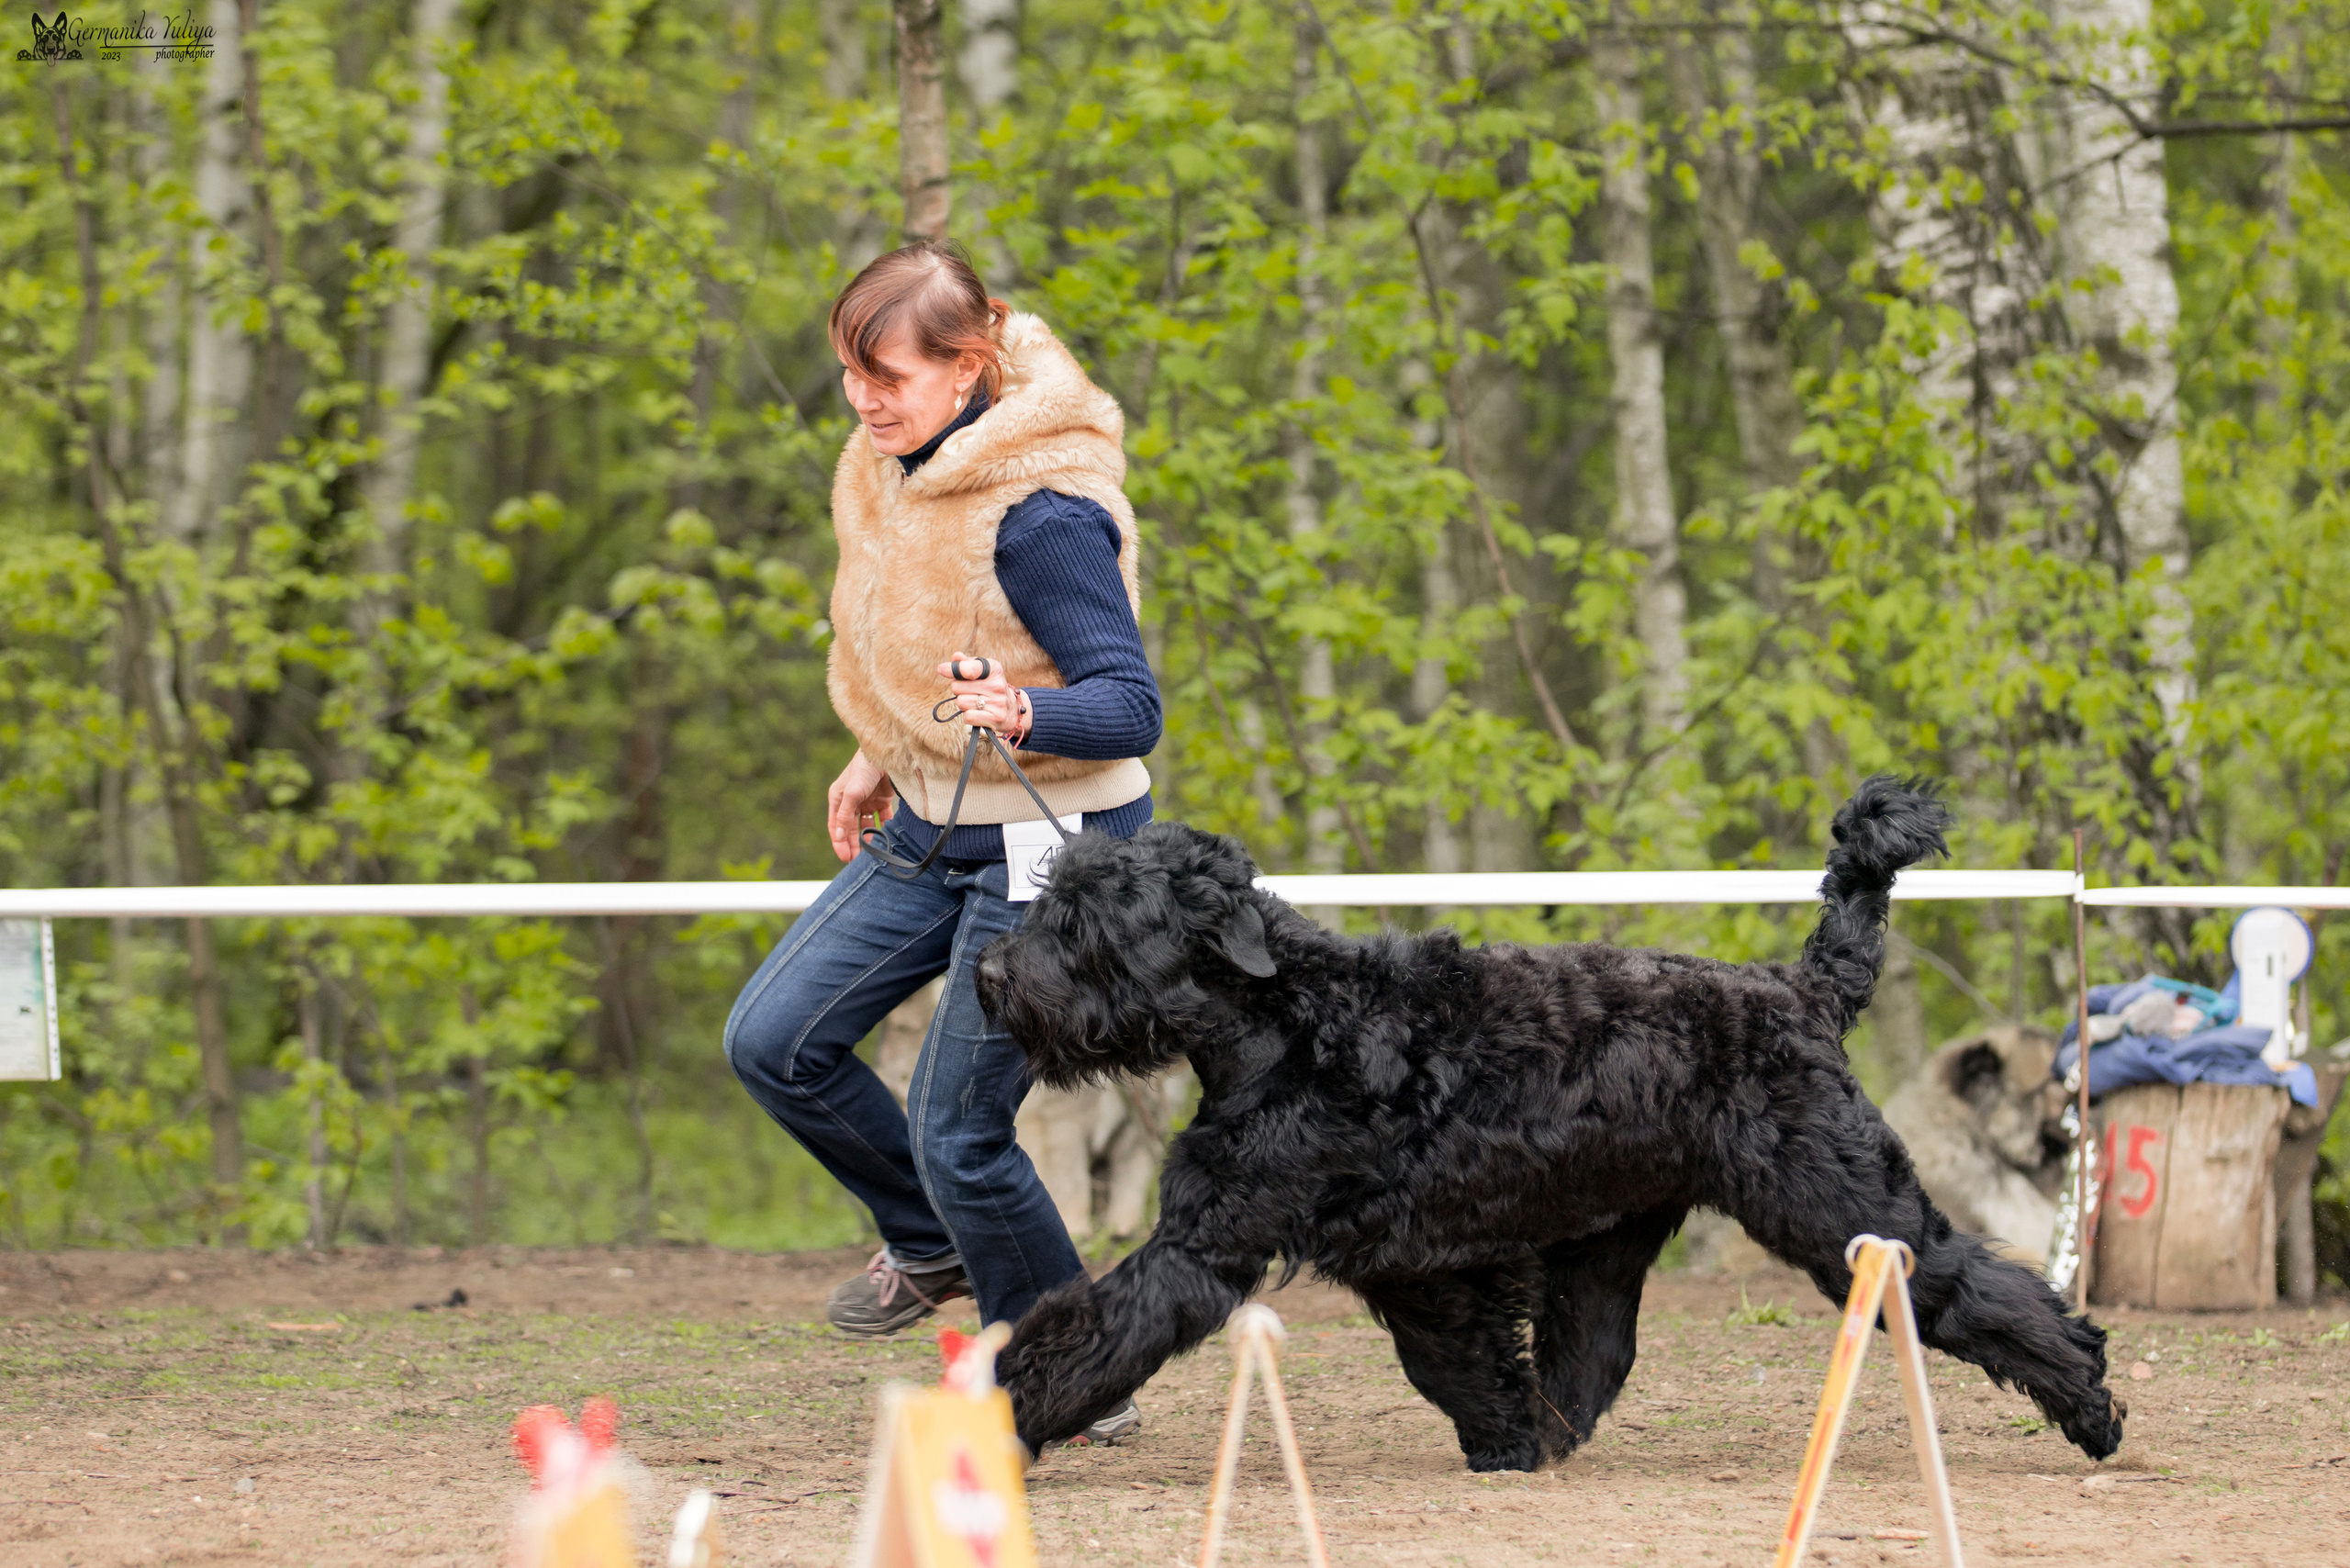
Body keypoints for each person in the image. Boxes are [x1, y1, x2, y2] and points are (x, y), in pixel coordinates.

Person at [722, 241, 1159, 1445]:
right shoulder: (893, 465)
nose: (867, 401)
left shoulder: (1045, 515)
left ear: (971, 365)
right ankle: (928, 1245)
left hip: (1061, 843)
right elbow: (907, 631)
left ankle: (1075, 1377)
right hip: (935, 816)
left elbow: (1130, 706)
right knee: (774, 1040)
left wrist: (1025, 711)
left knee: (958, 1131)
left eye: (893, 377)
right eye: (853, 374)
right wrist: (881, 745)